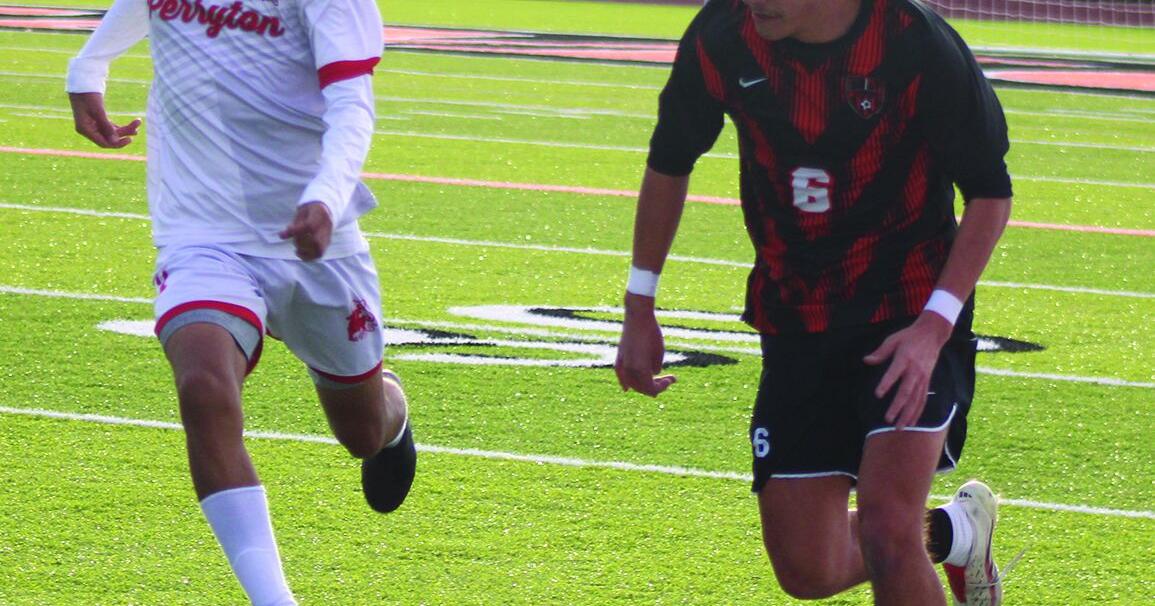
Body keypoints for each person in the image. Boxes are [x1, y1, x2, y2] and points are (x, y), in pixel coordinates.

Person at [615, 0, 1013, 604]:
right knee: (809, 570)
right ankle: (954, 532)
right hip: (797, 318)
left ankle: (912, 532)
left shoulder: (912, 40)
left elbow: (989, 193)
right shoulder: (725, 33)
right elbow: (670, 160)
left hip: (906, 313)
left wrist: (934, 328)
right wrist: (639, 305)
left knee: (885, 525)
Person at [66, 0, 416, 602]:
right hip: (202, 231)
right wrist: (87, 67)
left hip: (315, 236)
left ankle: (393, 414)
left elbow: (352, 104)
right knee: (203, 389)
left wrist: (328, 198)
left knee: (360, 431)